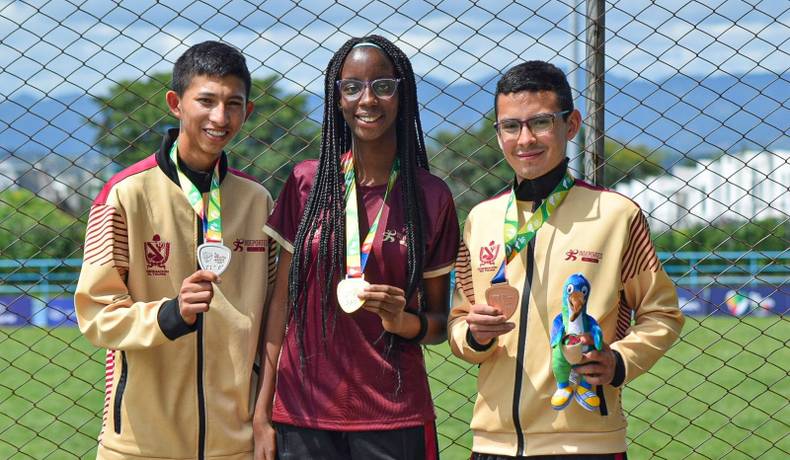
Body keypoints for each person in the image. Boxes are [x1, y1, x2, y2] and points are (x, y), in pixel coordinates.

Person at [448, 61, 685, 459]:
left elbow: (663, 313)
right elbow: (459, 320)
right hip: (493, 443)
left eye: (540, 122)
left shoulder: (615, 214)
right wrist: (474, 336)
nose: (525, 139)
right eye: (510, 126)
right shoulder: (480, 219)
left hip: (586, 442)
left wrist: (621, 360)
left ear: (570, 125)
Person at [253, 35, 460, 460]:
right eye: (353, 87)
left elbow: (439, 323)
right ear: (338, 99)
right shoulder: (306, 183)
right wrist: (262, 412)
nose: (368, 99)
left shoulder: (430, 196)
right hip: (302, 410)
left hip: (392, 414)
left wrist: (402, 321)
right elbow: (280, 306)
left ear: (402, 93)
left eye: (383, 85)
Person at [75, 41, 276, 460]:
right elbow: (96, 315)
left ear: (248, 111)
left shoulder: (258, 202)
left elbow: (276, 315)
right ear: (176, 103)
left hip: (235, 444)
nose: (220, 117)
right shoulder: (125, 194)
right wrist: (171, 314)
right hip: (140, 443)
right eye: (206, 100)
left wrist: (262, 419)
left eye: (233, 103)